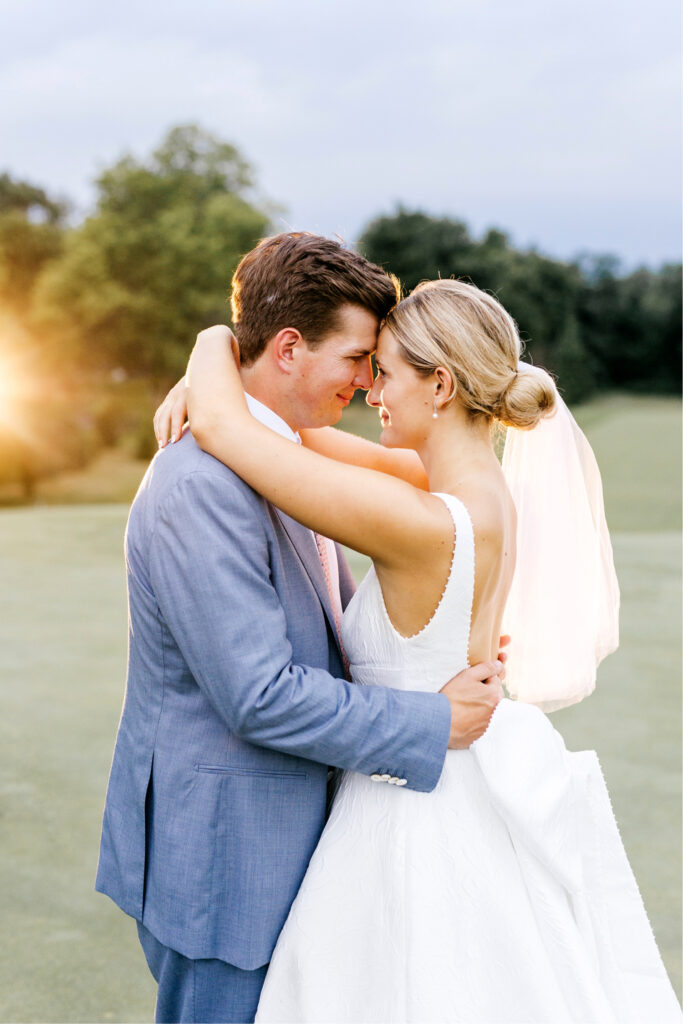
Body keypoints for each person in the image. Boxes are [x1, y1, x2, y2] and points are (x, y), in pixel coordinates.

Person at [166, 277, 682, 1022]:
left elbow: (230, 431)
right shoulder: (474, 488)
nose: (369, 392)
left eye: (384, 373)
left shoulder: (421, 522)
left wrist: (216, 342)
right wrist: (237, 378)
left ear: (439, 384)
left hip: (407, 808)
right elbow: (293, 430)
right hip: (459, 774)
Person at [95, 233, 508, 1024]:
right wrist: (434, 716)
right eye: (358, 358)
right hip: (226, 861)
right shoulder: (201, 485)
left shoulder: (287, 460)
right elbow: (257, 696)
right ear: (288, 348)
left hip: (304, 845)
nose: (367, 380)